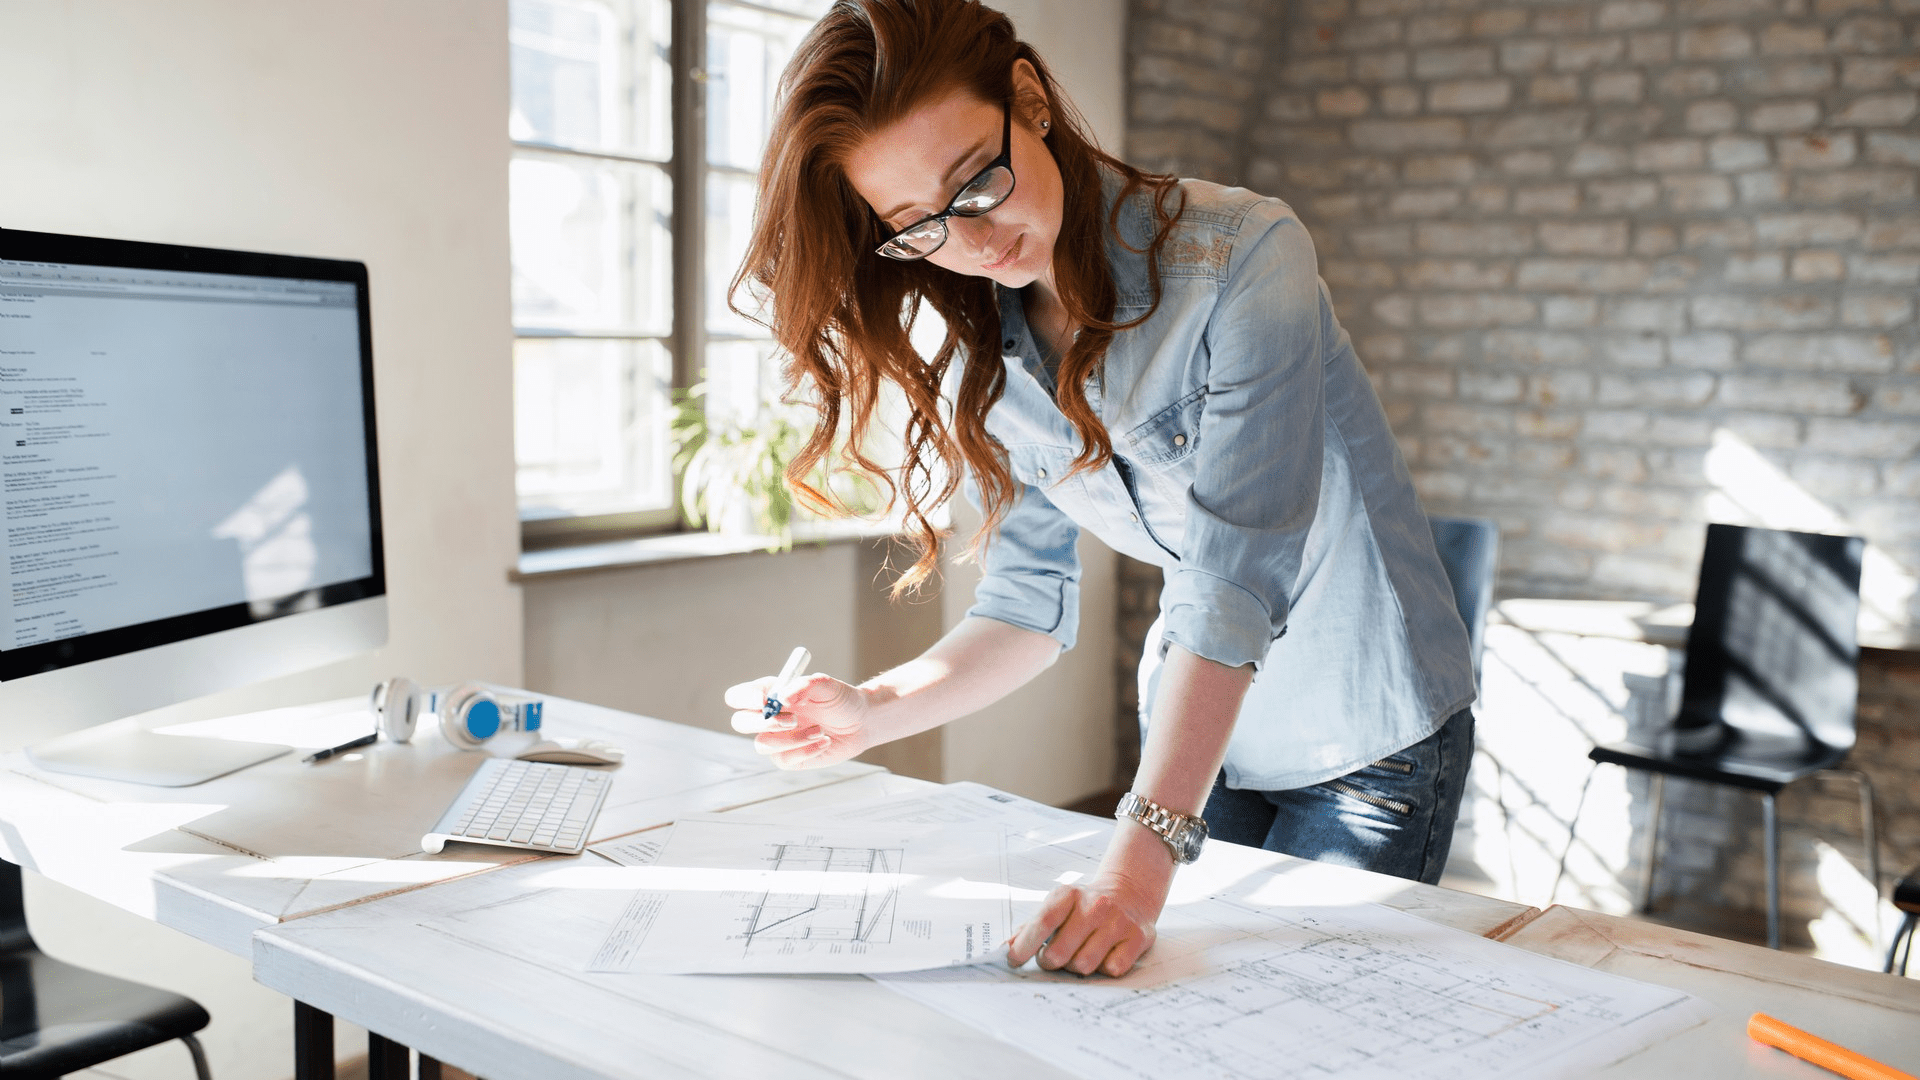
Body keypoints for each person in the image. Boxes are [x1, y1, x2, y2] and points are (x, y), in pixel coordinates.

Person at [722, 0, 1478, 979]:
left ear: (1028, 99)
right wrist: (871, 710)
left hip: (1369, 733)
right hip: (1207, 740)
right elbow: (1027, 611)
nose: (978, 241)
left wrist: (1140, 855)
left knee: (1321, 1029)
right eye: (920, 228)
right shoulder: (988, 351)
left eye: (978, 181)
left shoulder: (1244, 258)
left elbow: (1233, 580)